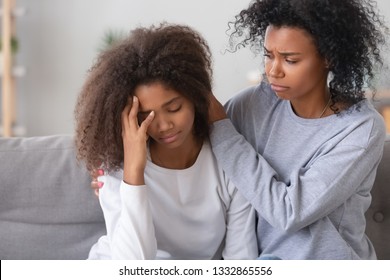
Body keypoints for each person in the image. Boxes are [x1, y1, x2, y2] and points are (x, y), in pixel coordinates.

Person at [207, 0, 388, 259]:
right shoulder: (253, 104)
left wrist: (222, 130)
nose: (273, 71)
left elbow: (291, 212)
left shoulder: (360, 129)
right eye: (268, 55)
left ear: (328, 58)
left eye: (290, 60)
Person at [74, 23, 258, 260]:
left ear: (195, 97)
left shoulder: (229, 161)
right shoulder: (118, 168)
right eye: (145, 117)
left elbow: (242, 261)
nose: (163, 126)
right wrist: (133, 172)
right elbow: (132, 267)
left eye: (173, 108)